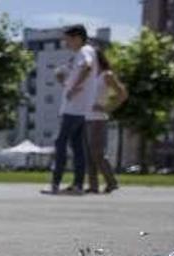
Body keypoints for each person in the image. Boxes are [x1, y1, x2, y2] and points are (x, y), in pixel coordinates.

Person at [49, 25, 100, 196]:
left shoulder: (85, 51)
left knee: (60, 142)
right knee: (77, 146)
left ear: (77, 37)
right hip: (79, 107)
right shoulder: (83, 53)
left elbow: (87, 66)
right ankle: (77, 185)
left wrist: (74, 88)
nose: (66, 43)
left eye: (68, 39)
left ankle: (55, 184)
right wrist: (66, 82)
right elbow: (73, 72)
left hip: (75, 107)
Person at [85, 47, 129, 194]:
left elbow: (122, 94)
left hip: (98, 118)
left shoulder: (106, 75)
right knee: (89, 154)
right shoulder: (89, 76)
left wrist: (107, 108)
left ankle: (112, 182)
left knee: (97, 152)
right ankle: (93, 186)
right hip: (86, 118)